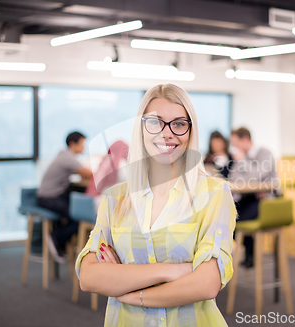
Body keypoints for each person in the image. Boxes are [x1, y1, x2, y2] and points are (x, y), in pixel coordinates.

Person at [76, 84, 236, 327]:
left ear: (191, 132)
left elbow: (206, 284)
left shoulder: (214, 194)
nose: (167, 133)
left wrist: (130, 292)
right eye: (155, 123)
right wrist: (170, 271)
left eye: (179, 124)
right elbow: (89, 276)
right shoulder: (115, 199)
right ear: (141, 130)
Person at [37, 131, 92, 262]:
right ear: (73, 144)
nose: (84, 148)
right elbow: (87, 173)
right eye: (82, 144)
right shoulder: (67, 158)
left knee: (77, 208)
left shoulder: (64, 155)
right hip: (49, 198)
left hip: (52, 195)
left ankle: (64, 243)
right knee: (78, 215)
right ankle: (56, 237)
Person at [228, 127, 276, 268]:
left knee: (237, 220)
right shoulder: (242, 156)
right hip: (247, 197)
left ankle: (251, 252)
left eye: (235, 142)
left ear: (245, 139)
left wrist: (243, 161)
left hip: (266, 200)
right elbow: (233, 178)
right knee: (225, 217)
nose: (234, 147)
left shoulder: (264, 153)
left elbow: (257, 176)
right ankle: (250, 252)